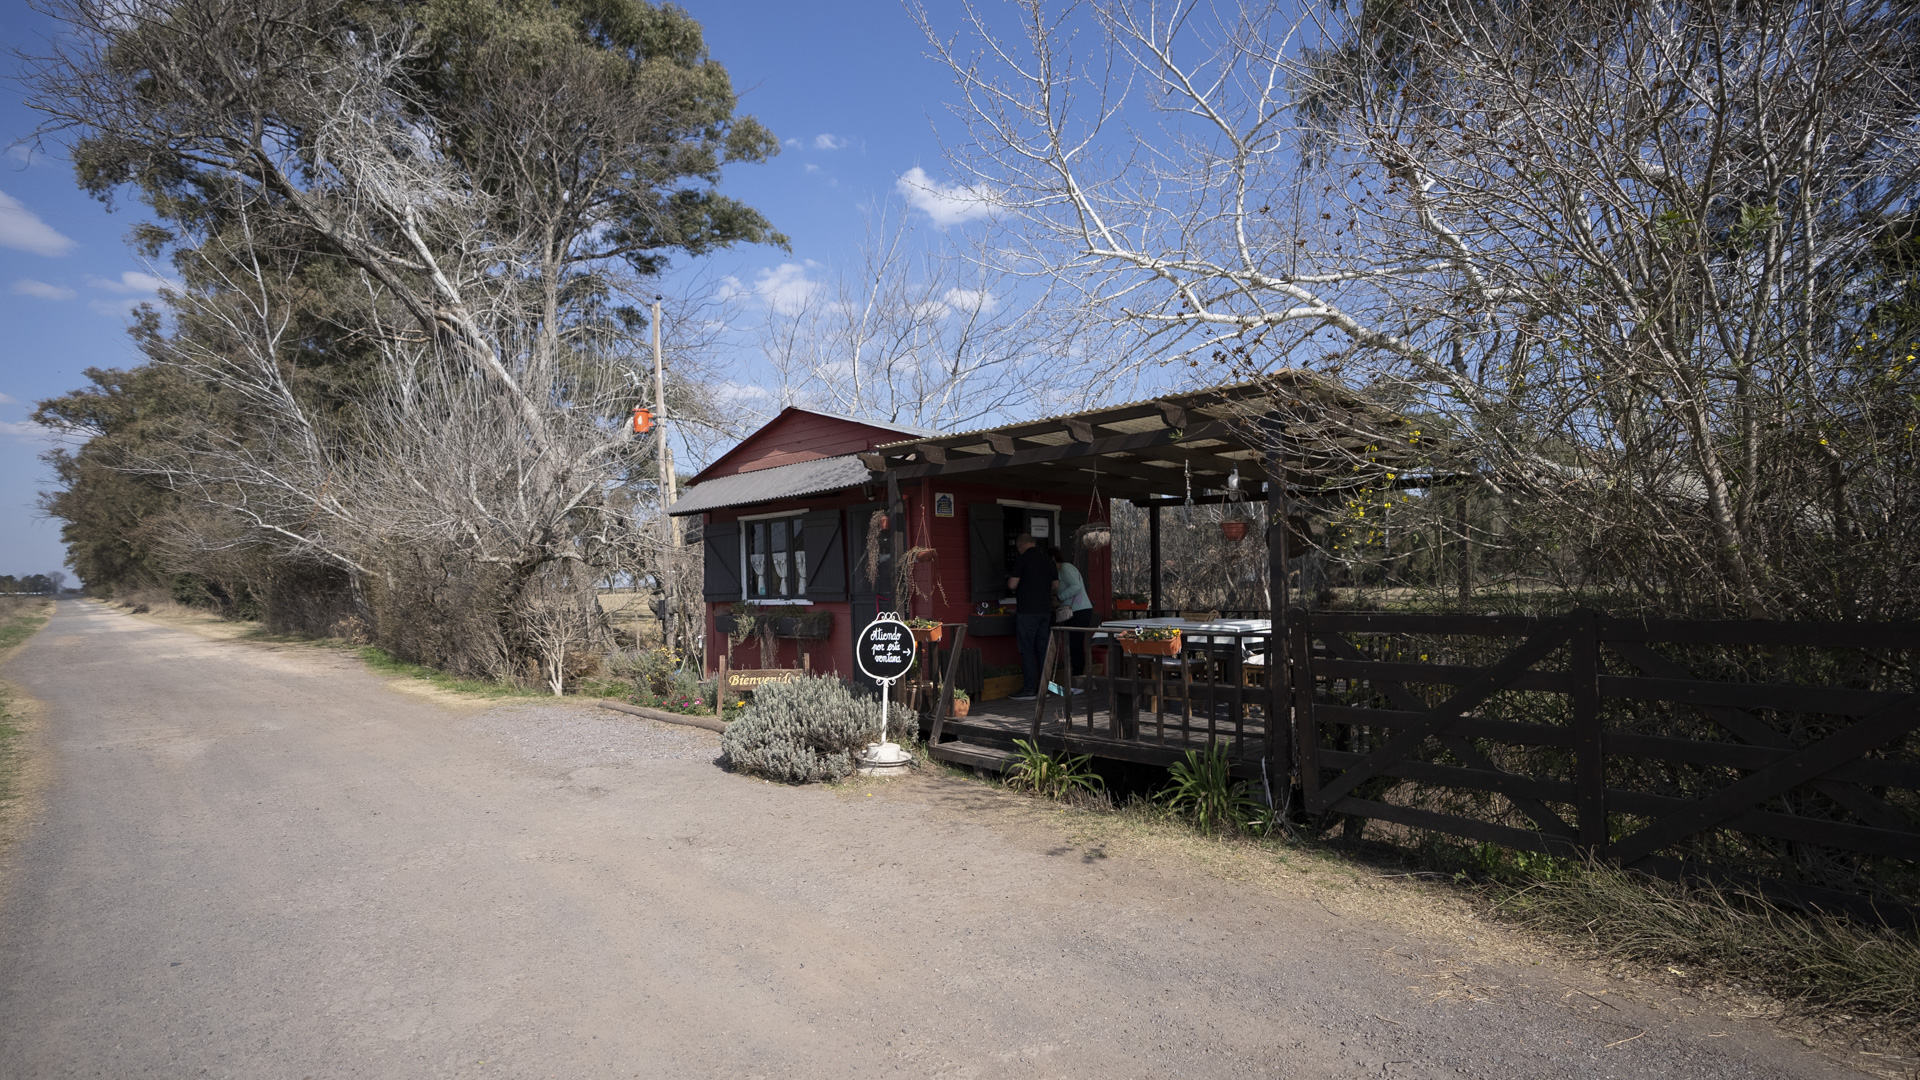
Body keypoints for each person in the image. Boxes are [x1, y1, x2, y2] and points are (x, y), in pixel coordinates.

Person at [1006, 532, 1056, 700]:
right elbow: (1055, 586)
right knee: (1042, 650)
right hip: (1045, 611)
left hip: (1027, 611)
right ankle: (1044, 688)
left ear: (1021, 545)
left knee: (1027, 650)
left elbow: (1013, 584)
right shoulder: (1048, 561)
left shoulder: (1022, 559)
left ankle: (1029, 689)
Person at [1051, 546, 1095, 683]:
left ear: (1053, 559)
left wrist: (1059, 598)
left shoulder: (1065, 568)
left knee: (1076, 645)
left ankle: (1078, 678)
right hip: (1073, 611)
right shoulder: (1061, 570)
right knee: (1073, 645)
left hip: (1079, 610)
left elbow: (1076, 586)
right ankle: (1075, 676)